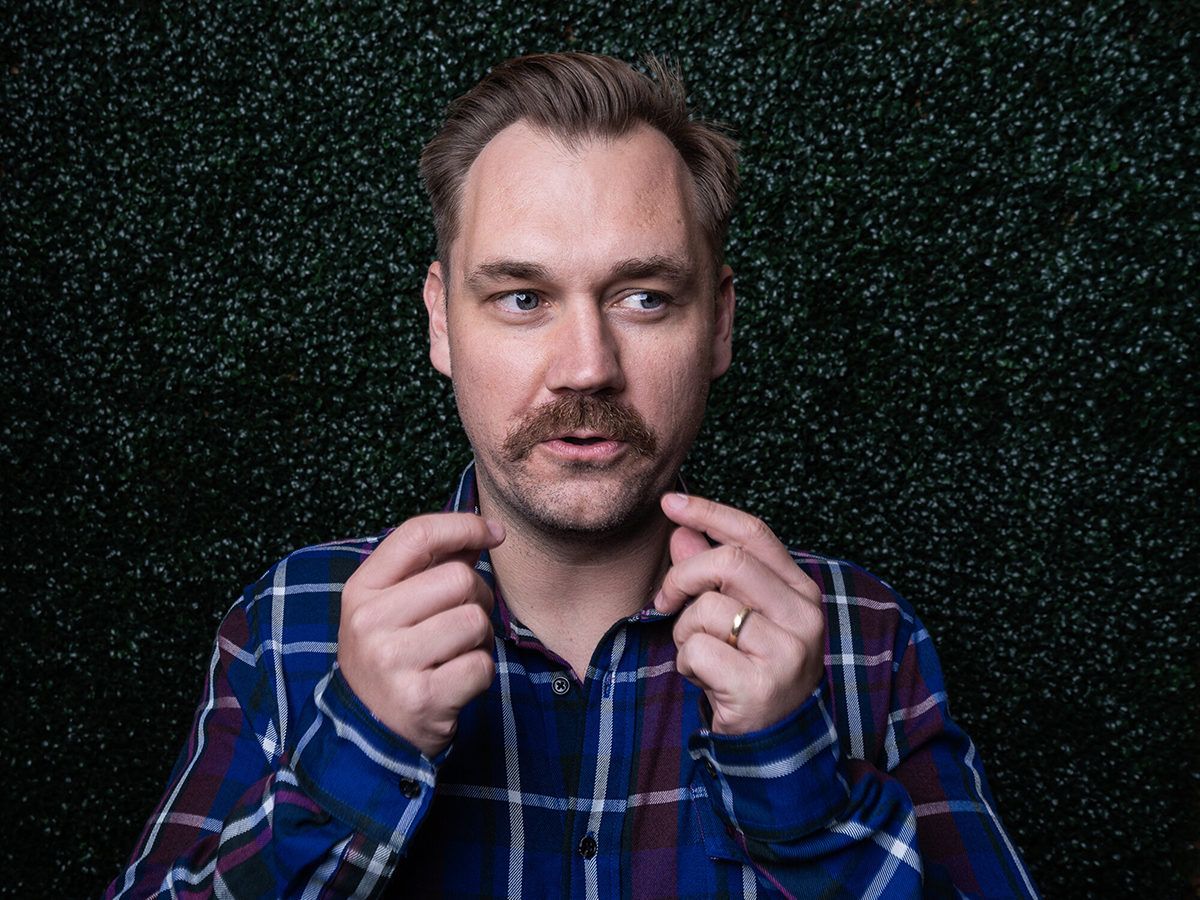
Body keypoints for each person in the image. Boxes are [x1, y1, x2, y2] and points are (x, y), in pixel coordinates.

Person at [106, 52, 1038, 899]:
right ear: (441, 321)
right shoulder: (292, 625)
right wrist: (359, 752)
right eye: (523, 298)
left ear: (718, 324)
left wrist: (794, 778)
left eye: (644, 298)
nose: (586, 367)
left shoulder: (862, 642)